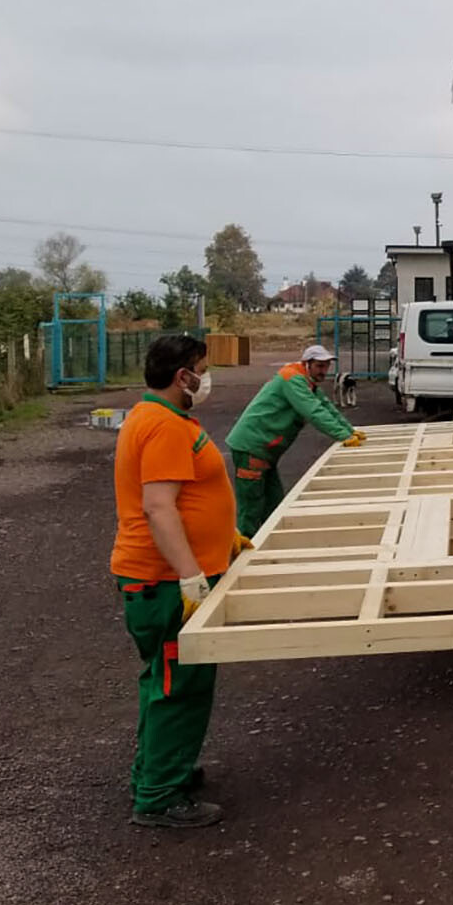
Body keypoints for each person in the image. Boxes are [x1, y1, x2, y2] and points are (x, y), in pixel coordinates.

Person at [110, 334, 250, 828]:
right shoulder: (163, 426)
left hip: (166, 578)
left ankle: (163, 770)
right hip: (165, 582)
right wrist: (191, 577)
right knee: (177, 686)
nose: (206, 378)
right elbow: (158, 506)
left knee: (167, 683)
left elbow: (188, 497)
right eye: (202, 369)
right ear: (182, 377)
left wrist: (223, 534)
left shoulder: (160, 418)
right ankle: (158, 797)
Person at [226, 343, 365, 537]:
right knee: (252, 505)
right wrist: (342, 435)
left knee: (274, 504)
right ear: (307, 364)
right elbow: (313, 411)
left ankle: (268, 545)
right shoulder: (292, 379)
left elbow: (326, 406)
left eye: (326, 366)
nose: (324, 371)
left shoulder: (307, 383)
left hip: (266, 451)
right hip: (253, 447)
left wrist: (350, 430)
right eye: (319, 366)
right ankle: (242, 550)